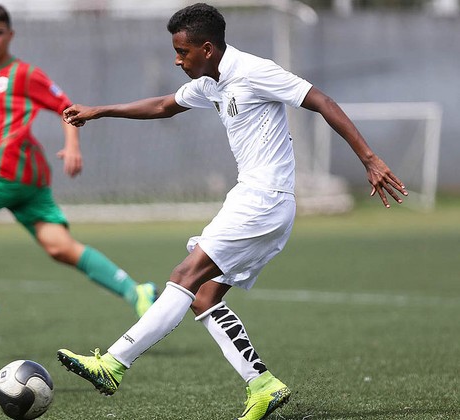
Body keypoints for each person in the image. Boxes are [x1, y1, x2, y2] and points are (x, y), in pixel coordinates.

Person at [56, 3, 408, 420]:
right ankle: (262, 385)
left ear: (207, 49)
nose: (177, 60)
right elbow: (164, 105)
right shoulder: (211, 82)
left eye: (183, 52)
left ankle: (114, 363)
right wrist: (100, 111)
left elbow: (321, 100)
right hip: (258, 201)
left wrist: (369, 158)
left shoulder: (255, 71)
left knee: (184, 277)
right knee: (203, 296)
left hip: (263, 200)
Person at [0, 3, 157, 329]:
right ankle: (135, 291)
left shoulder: (24, 74)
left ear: (10, 35)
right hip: (28, 178)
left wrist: (72, 145)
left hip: (12, 166)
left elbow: (66, 108)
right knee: (59, 247)